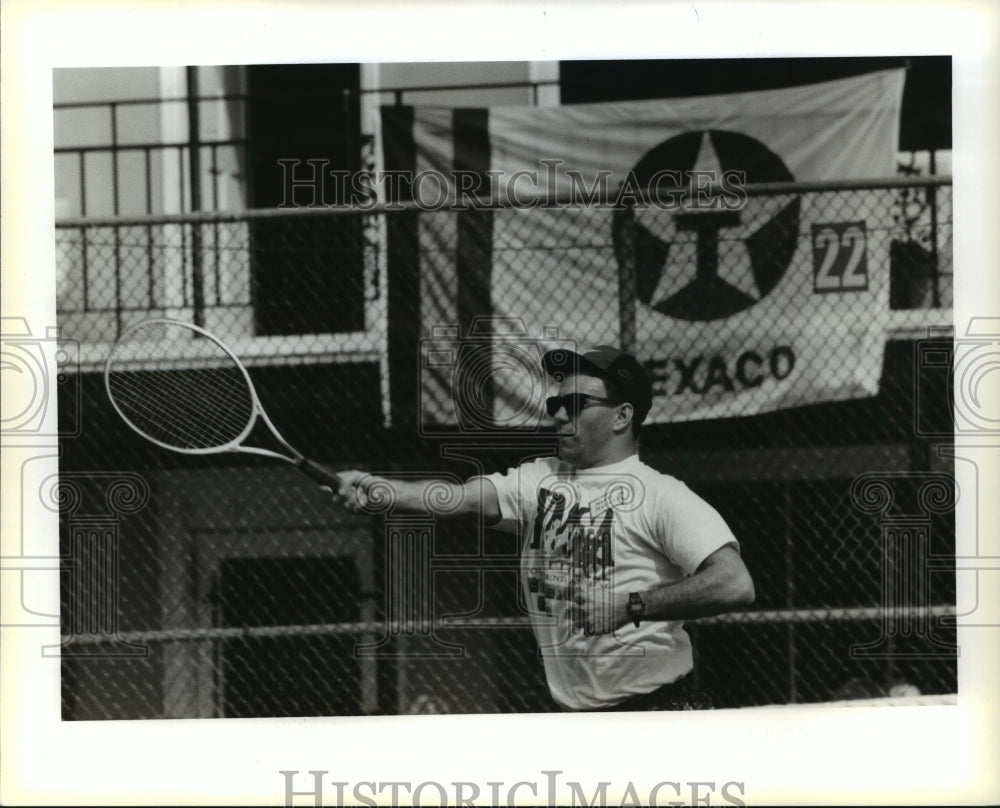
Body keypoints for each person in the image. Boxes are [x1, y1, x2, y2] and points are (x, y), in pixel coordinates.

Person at [334, 345, 755, 712]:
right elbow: (461, 498)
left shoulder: (660, 495)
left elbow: (735, 583)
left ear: (622, 416)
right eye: (557, 405)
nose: (559, 415)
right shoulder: (541, 479)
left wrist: (632, 605)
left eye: (576, 404)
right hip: (574, 717)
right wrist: (382, 490)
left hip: (657, 713)